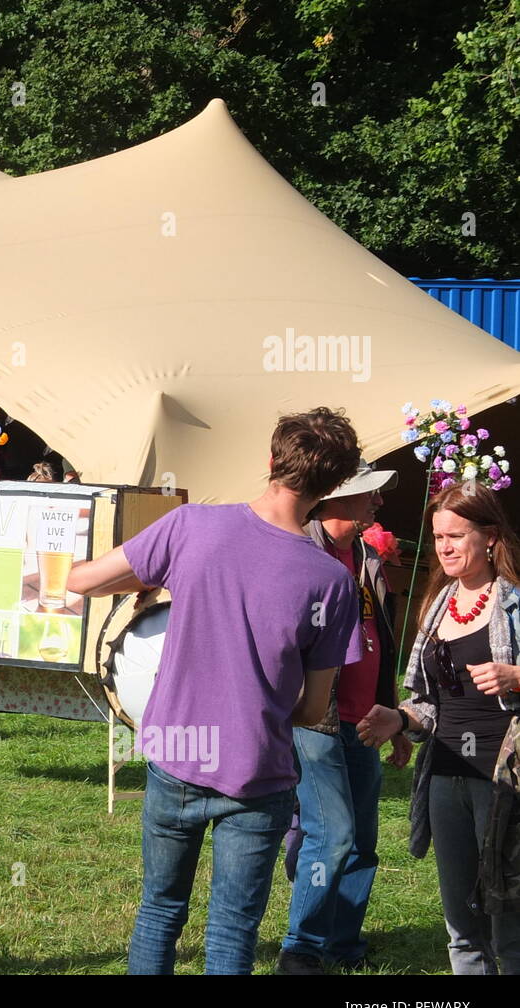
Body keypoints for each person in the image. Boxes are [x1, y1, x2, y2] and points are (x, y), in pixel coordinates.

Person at [67, 407, 363, 975]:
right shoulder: (331, 581)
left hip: (177, 754)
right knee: (232, 930)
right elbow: (312, 708)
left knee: (158, 911)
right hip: (259, 767)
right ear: (334, 487)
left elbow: (83, 580)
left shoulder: (190, 528)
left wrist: (160, 570)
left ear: (271, 460)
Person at [358, 482, 520, 974]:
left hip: (503, 782)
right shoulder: (437, 604)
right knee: (462, 923)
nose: (444, 547)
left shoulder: (514, 605)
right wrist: (399, 718)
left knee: (507, 918)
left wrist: (517, 675)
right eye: (437, 537)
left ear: (489, 536)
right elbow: (429, 702)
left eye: (455, 535)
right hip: (445, 778)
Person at [277, 460, 411, 974]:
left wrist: (395, 715)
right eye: (370, 494)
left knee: (362, 843)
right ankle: (301, 949)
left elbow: (381, 644)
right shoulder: (302, 550)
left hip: (366, 720)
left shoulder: (365, 556)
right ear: (336, 497)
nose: (378, 503)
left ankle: (343, 943)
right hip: (315, 718)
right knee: (330, 835)